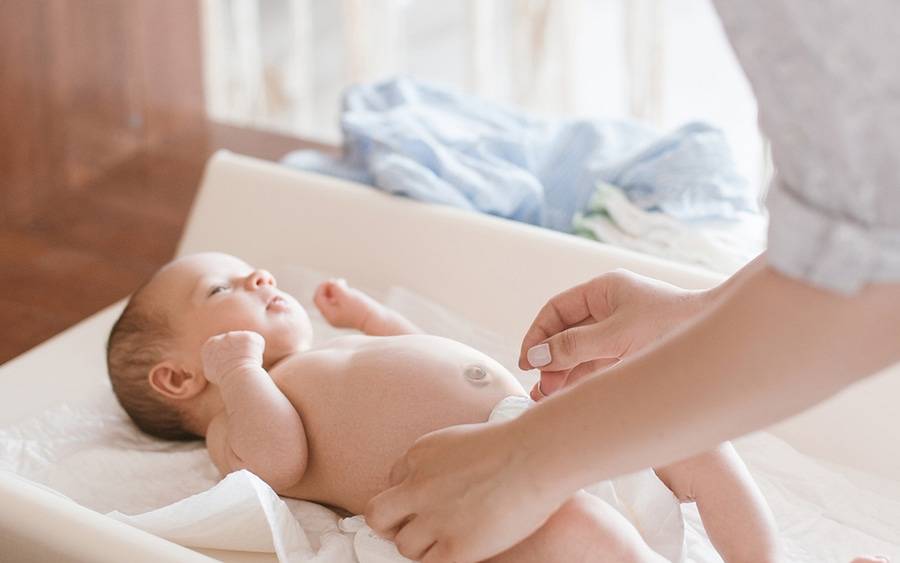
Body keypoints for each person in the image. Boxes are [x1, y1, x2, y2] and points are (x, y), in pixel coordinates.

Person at [363, 1, 900, 561]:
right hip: (530, 460)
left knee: (677, 467)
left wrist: (526, 461)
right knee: (652, 472)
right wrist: (700, 311)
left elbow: (867, 267)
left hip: (530, 462)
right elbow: (863, 238)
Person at [107, 252, 782, 562]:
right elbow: (279, 460)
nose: (261, 276)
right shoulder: (235, 417)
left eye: (255, 269)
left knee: (692, 432)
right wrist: (240, 372)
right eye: (220, 286)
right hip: (478, 503)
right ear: (177, 378)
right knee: (582, 532)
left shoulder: (327, 354)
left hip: (548, 439)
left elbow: (417, 352)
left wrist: (371, 318)